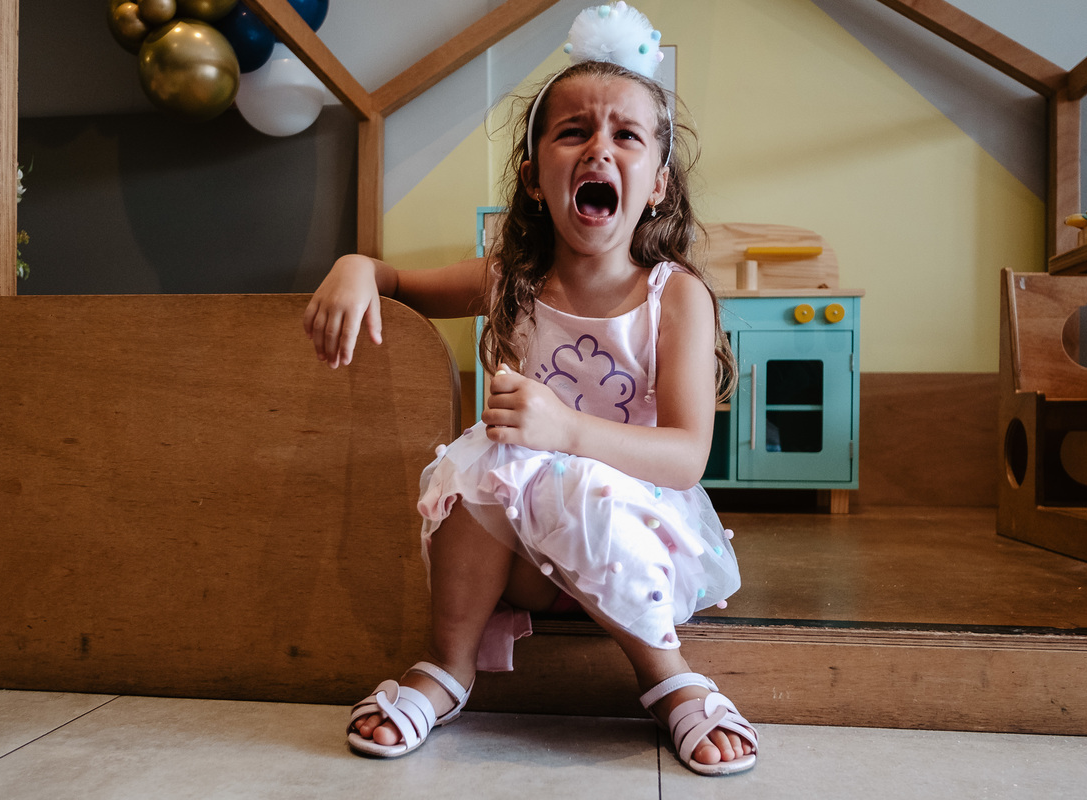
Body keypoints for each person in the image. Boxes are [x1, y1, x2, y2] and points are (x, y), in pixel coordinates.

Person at [303, 3, 757, 777]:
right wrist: (355, 267)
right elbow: (397, 279)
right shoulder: (508, 279)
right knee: (478, 456)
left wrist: (567, 430)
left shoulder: (673, 297)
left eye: (626, 136)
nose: (599, 149)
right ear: (534, 176)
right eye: (573, 132)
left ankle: (669, 678)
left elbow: (684, 458)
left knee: (578, 480)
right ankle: (446, 667)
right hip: (520, 565)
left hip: (633, 547)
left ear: (656, 185)